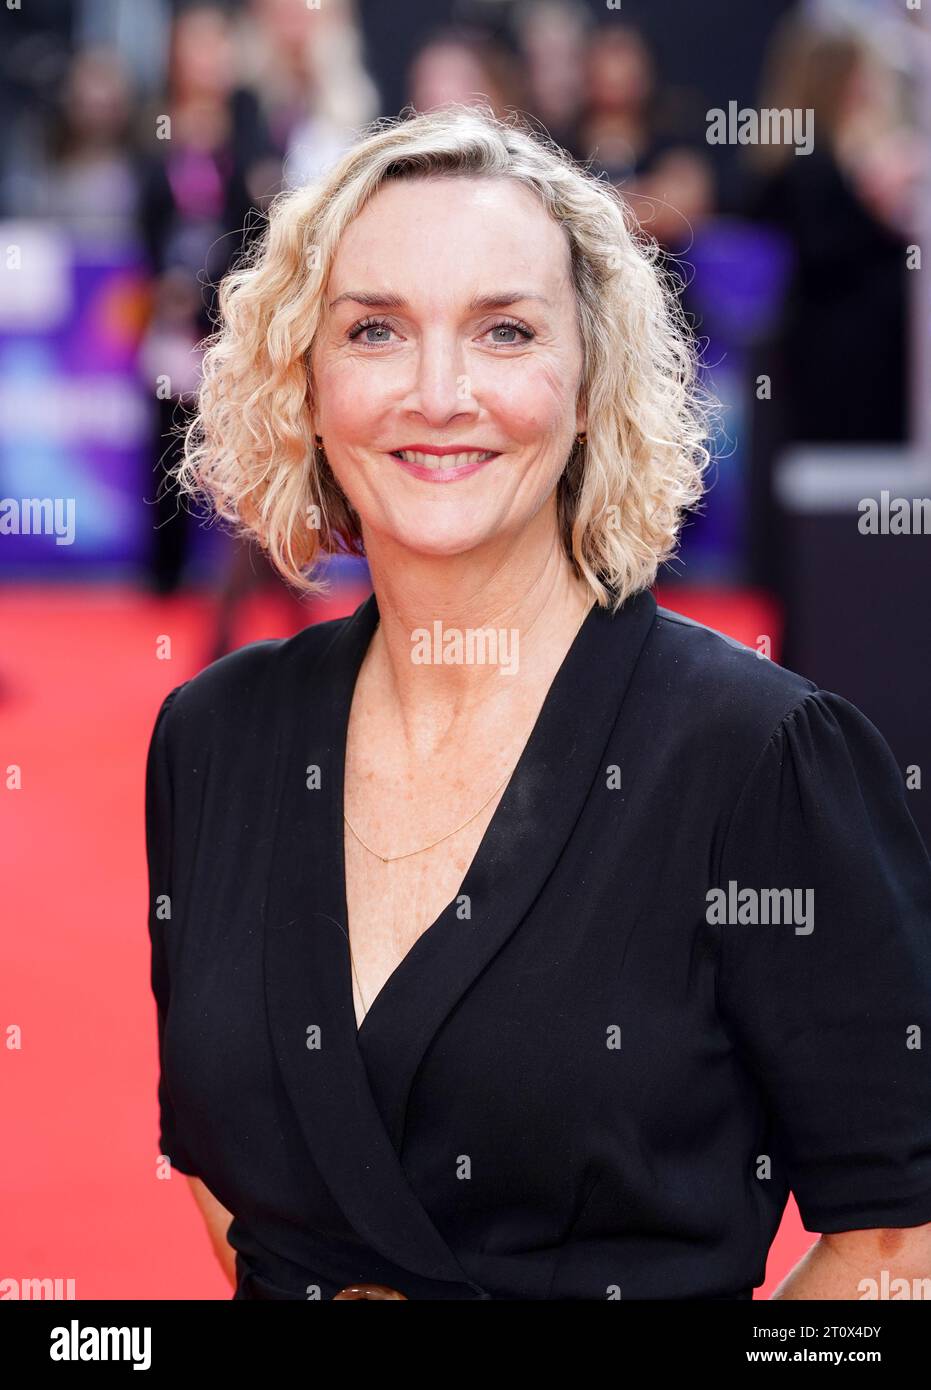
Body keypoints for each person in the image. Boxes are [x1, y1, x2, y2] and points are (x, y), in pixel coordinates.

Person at [145, 106, 931, 1301]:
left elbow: (901, 1240)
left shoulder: (758, 761)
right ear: (304, 383)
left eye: (504, 330)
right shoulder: (212, 737)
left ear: (585, 388)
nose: (438, 391)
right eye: (374, 331)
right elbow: (228, 1173)